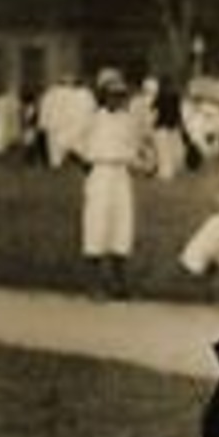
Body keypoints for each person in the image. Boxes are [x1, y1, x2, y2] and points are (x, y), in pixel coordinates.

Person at [72, 67, 155, 300]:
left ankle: (120, 285)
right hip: (100, 173)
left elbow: (138, 150)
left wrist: (146, 165)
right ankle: (94, 285)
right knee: (96, 226)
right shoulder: (92, 119)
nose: (117, 99)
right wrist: (88, 167)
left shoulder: (128, 121)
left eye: (120, 95)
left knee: (122, 227)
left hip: (121, 175)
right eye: (111, 94)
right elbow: (73, 146)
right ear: (102, 95)